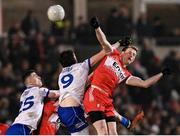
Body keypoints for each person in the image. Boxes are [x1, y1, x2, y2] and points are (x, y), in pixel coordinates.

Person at [83, 17, 171, 135]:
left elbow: (145, 84)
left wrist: (162, 73)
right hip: (95, 94)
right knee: (103, 132)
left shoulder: (126, 74)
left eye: (134, 55)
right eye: (130, 52)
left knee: (114, 133)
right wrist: (97, 27)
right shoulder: (112, 54)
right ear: (122, 52)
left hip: (107, 101)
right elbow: (103, 42)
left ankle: (126, 123)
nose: (132, 55)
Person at [6, 70, 60, 135]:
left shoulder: (23, 95)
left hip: (16, 127)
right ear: (29, 80)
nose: (39, 77)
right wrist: (66, 90)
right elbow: (54, 94)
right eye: (35, 76)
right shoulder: (39, 90)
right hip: (23, 128)